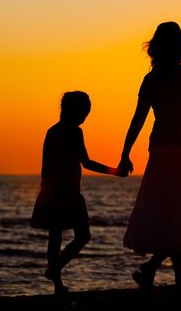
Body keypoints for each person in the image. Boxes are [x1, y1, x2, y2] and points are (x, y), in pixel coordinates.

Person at [118, 22, 181, 291]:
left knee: (169, 213)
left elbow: (137, 120)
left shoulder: (151, 79)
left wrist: (125, 153)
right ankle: (155, 270)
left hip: (162, 152)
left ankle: (173, 276)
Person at [31, 91, 122, 295]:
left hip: (53, 192)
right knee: (81, 236)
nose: (85, 117)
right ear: (74, 110)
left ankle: (56, 280)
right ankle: (55, 274)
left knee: (55, 238)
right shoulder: (73, 132)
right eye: (84, 113)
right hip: (66, 193)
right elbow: (86, 162)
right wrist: (114, 172)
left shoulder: (52, 131)